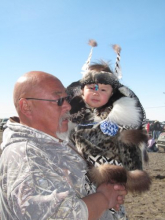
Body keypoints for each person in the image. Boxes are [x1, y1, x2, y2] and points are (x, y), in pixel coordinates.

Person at [0, 71, 127, 220]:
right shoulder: (26, 154)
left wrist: (105, 193)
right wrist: (104, 198)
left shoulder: (52, 141)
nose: (68, 106)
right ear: (26, 106)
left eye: (67, 98)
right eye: (59, 100)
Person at [67, 44, 151, 219]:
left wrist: (130, 174)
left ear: (112, 93)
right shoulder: (71, 117)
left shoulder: (121, 120)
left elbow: (132, 152)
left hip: (109, 183)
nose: (96, 93)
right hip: (75, 185)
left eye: (103, 89)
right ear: (82, 91)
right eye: (92, 88)